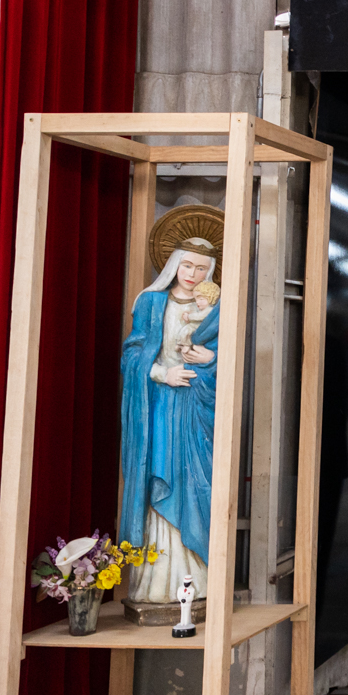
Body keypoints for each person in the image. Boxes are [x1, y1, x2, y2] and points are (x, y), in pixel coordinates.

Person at [120, 239, 222, 612]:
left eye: (202, 268)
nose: (193, 275)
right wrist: (163, 373)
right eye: (187, 265)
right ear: (174, 264)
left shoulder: (218, 307)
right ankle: (156, 582)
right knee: (160, 478)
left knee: (195, 482)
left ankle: (199, 576)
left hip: (196, 409)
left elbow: (230, 357)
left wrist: (211, 359)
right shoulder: (150, 303)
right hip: (159, 407)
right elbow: (131, 355)